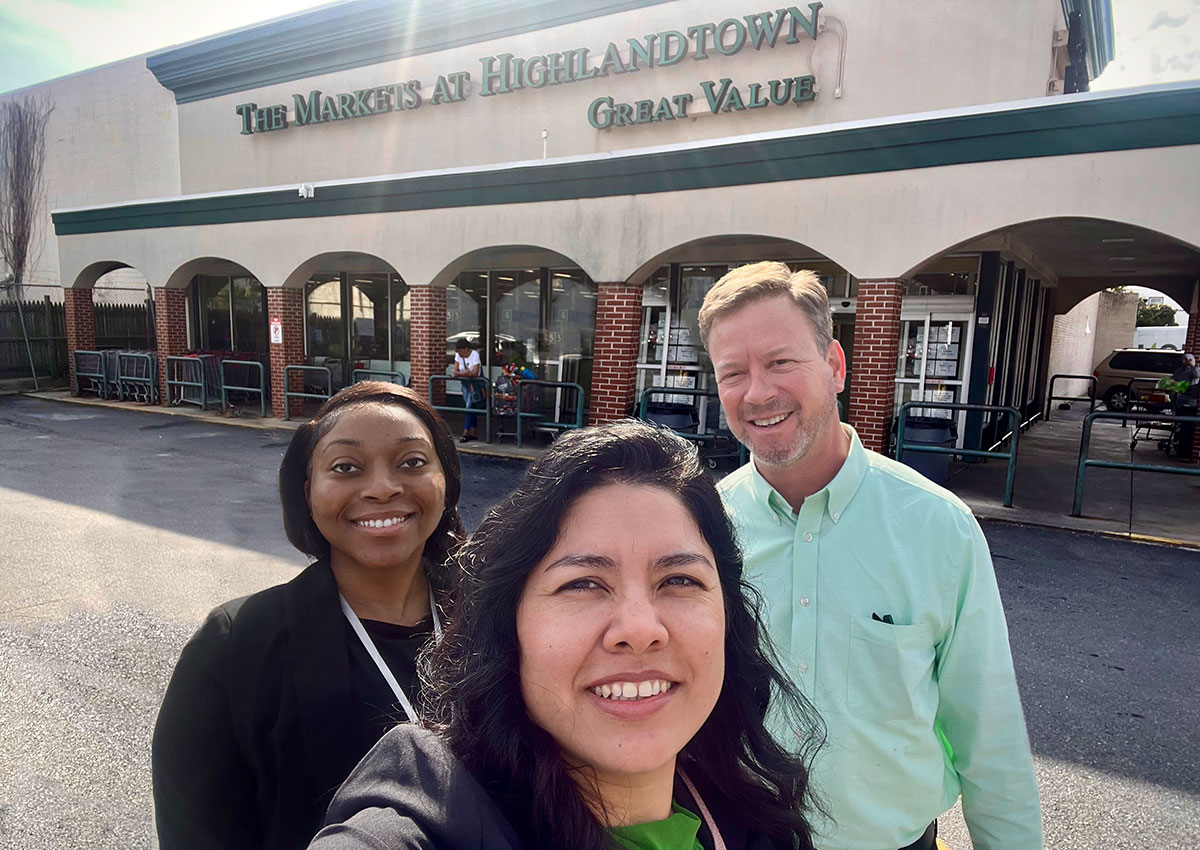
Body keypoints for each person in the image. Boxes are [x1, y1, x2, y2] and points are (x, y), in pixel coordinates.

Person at [311, 421, 823, 850]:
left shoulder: (744, 816)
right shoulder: (432, 812)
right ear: (509, 624)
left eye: (679, 580)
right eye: (583, 584)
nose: (640, 629)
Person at [698, 262, 1042, 850]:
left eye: (781, 362)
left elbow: (988, 731)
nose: (758, 392)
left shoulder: (939, 528)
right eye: (734, 373)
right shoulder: (703, 530)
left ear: (835, 366)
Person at [152, 382, 464, 850]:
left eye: (413, 462)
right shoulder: (236, 646)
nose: (382, 487)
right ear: (308, 492)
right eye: (345, 467)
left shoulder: (501, 619)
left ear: (447, 480)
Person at [452, 337, 482, 442]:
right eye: (458, 351)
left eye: (461, 351)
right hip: (465, 385)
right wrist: (465, 373)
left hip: (474, 385)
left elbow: (475, 372)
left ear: (466, 349)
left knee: (468, 406)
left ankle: (466, 431)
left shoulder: (475, 355)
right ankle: (474, 432)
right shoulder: (458, 356)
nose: (459, 354)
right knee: (470, 407)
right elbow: (455, 371)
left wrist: (462, 373)